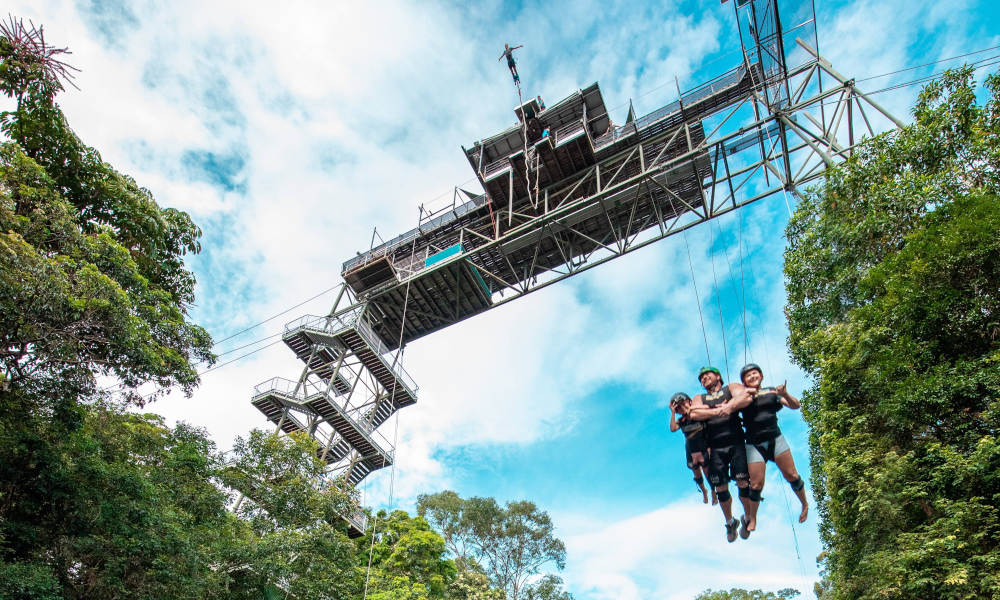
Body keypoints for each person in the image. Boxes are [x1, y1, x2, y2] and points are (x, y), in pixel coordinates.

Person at [737, 363, 808, 538]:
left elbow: (795, 405)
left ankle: (804, 504)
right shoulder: (743, 396)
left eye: (755, 373)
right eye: (748, 376)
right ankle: (752, 518)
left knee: (792, 475)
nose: (752, 377)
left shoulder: (772, 392)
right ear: (744, 381)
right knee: (756, 484)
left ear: (760, 375)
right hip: (754, 444)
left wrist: (784, 394)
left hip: (775, 439)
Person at [689, 366, 752, 542]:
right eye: (701, 378)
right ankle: (730, 522)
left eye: (707, 375)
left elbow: (745, 396)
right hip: (715, 447)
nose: (704, 379)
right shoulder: (699, 397)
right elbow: (693, 413)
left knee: (742, 482)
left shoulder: (730, 388)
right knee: (721, 487)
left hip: (736, 441)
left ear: (717, 376)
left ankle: (747, 518)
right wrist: (718, 411)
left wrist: (730, 406)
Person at [669, 392, 717, 505]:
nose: (681, 408)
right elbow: (672, 428)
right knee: (696, 472)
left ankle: (713, 491)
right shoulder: (682, 421)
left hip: (703, 446)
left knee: (707, 472)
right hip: (691, 449)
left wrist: (690, 408)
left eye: (683, 404)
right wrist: (673, 412)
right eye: (678, 407)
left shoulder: (698, 414)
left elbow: (707, 409)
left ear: (689, 401)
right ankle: (704, 491)